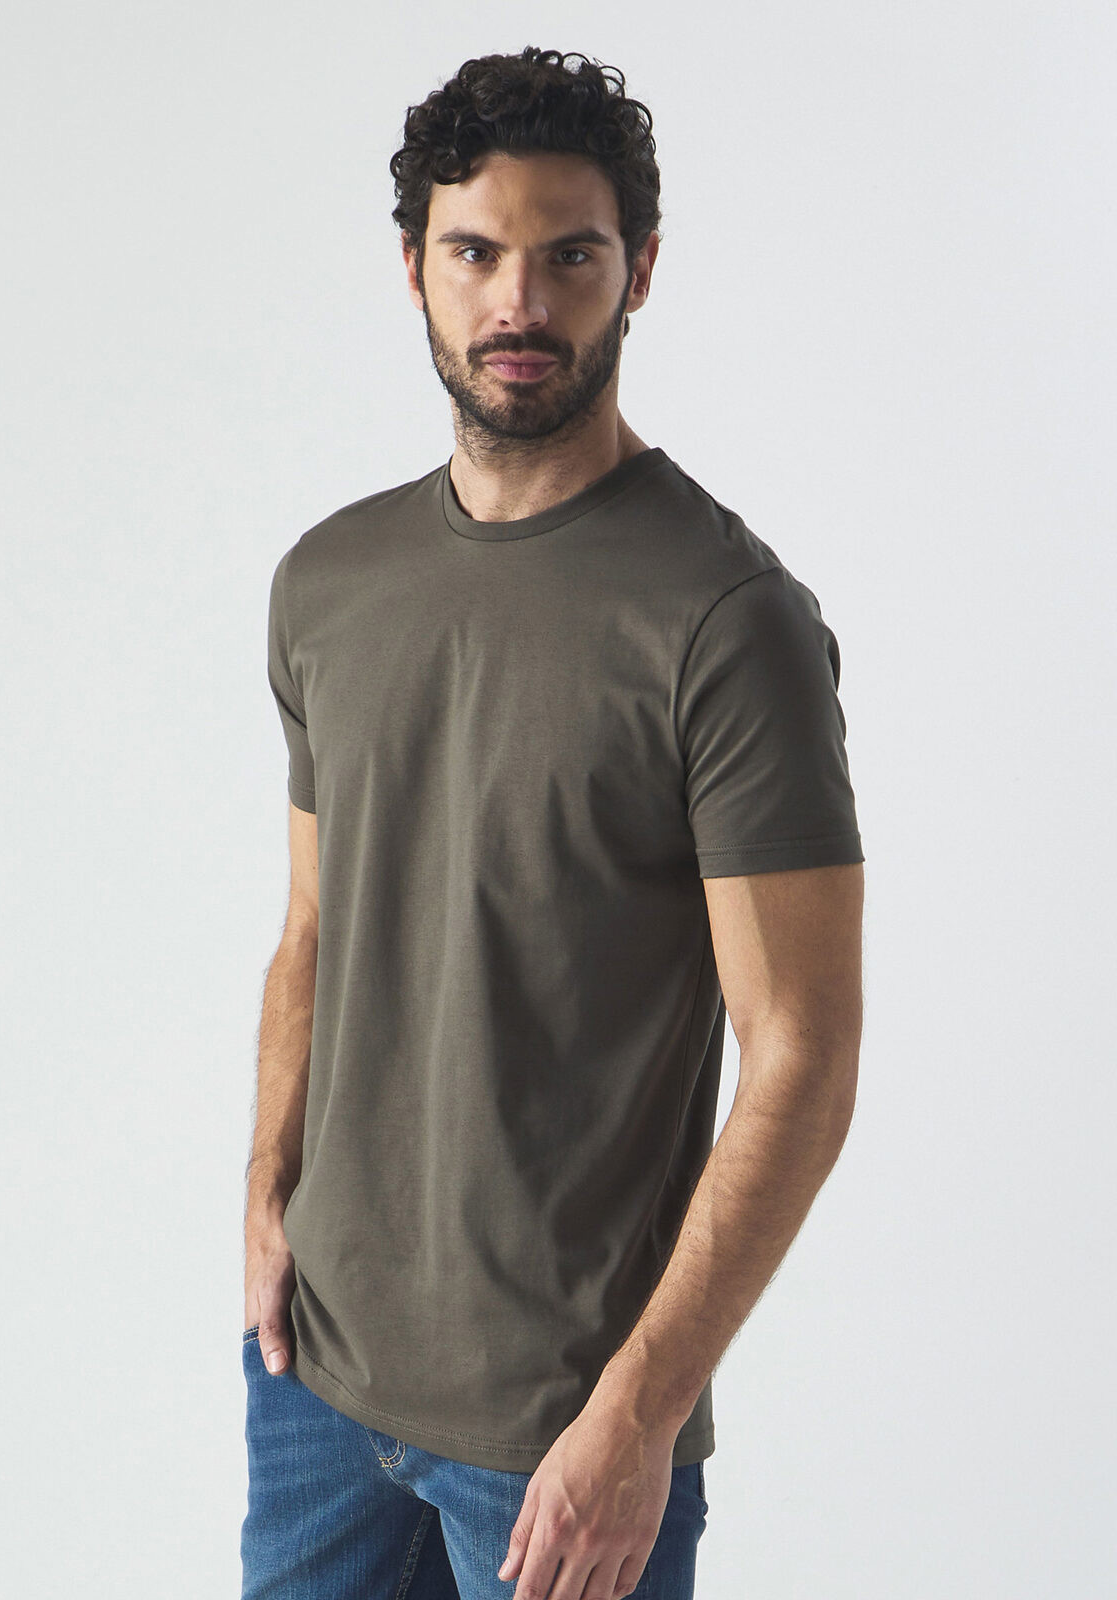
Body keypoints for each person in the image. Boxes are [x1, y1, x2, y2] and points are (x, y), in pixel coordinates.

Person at [241, 44, 865, 1600]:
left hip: (560, 1434)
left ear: (638, 270)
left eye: (569, 256)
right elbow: (313, 928)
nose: (519, 303)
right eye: (476, 254)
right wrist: (264, 1205)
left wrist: (638, 1416)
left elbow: (802, 1054)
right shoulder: (330, 582)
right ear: (415, 269)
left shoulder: (728, 622)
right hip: (316, 1382)